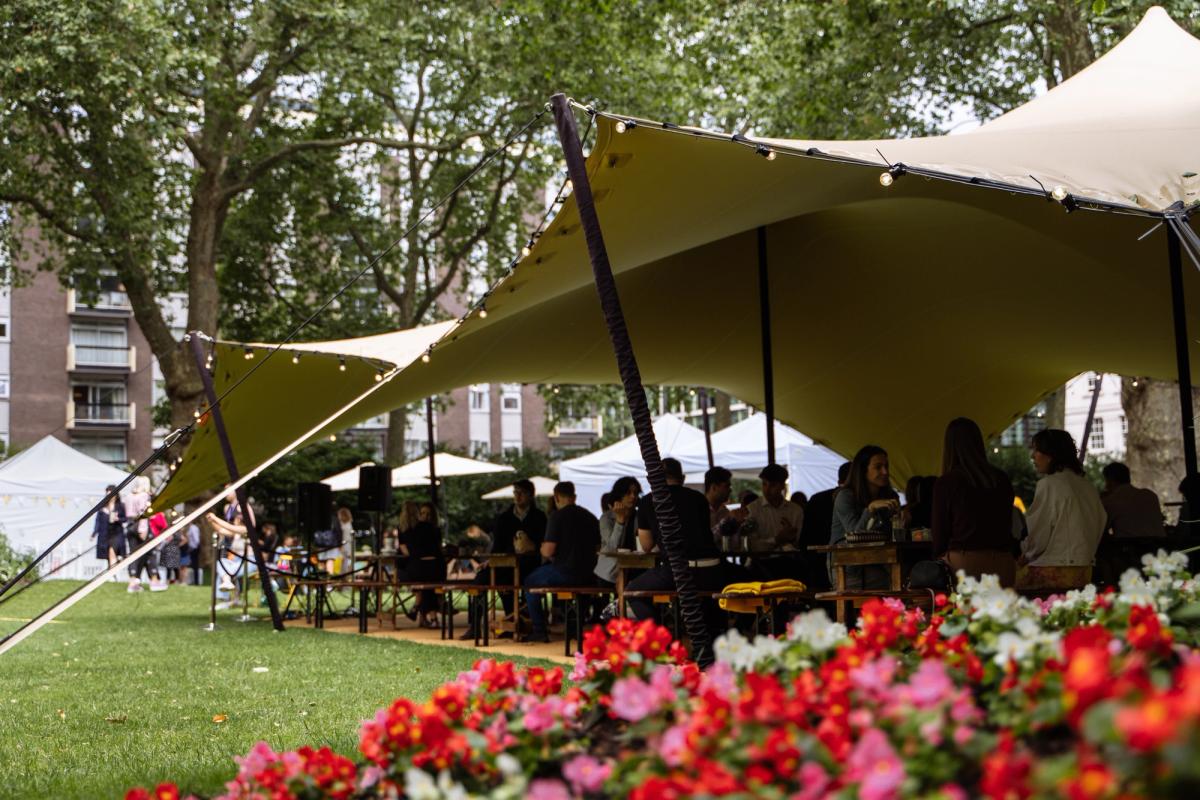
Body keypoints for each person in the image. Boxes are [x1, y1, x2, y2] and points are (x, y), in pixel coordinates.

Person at [626, 458, 729, 624]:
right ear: (682, 478)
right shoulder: (699, 499)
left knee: (632, 591)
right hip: (713, 570)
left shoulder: (647, 501)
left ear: (654, 478)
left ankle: (662, 635)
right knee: (752, 581)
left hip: (678, 572)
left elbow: (646, 546)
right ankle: (734, 629)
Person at [930, 418, 1018, 586]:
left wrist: (939, 556)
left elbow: (940, 534)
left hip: (965, 564)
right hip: (1003, 563)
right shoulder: (1000, 479)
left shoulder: (947, 482)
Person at [1019, 429, 1107, 591]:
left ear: (1050, 454)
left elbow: (1039, 535)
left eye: (1037, 450)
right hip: (1085, 570)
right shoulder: (1087, 486)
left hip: (1054, 569)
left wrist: (1024, 554)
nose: (1033, 456)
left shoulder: (1049, 484)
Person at [523, 482, 600, 643]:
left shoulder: (557, 516)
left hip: (565, 571)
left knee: (530, 582)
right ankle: (575, 625)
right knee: (578, 588)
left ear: (556, 497)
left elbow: (549, 550)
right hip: (589, 574)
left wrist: (539, 548)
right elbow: (599, 547)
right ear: (574, 497)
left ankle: (539, 629)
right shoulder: (591, 517)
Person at [830, 445, 899, 590]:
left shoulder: (890, 496)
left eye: (886, 466)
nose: (885, 472)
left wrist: (902, 521)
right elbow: (854, 535)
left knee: (909, 579)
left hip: (881, 564)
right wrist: (870, 510)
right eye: (878, 467)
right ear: (863, 470)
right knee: (898, 586)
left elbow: (890, 535)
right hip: (848, 568)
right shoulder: (845, 496)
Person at [399, 501, 444, 628]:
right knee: (428, 586)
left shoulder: (407, 530)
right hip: (435, 567)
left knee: (423, 583)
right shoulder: (431, 528)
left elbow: (407, 552)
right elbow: (438, 550)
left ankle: (417, 607)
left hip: (418, 567)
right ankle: (432, 617)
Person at [595, 477, 641, 588]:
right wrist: (620, 521)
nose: (633, 496)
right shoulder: (607, 518)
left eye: (635, 493)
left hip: (636, 569)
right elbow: (612, 548)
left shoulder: (639, 516)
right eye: (628, 493)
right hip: (610, 572)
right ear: (619, 495)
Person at [1100, 462, 1164, 538]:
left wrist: (1102, 501)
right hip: (1159, 547)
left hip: (1131, 548)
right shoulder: (1150, 495)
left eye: (1106, 480)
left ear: (1110, 480)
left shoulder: (1112, 500)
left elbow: (1100, 529)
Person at [801, 462, 849, 550]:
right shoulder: (857, 500)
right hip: (837, 554)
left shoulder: (817, 499)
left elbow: (805, 538)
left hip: (815, 554)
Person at [91, 485, 127, 572]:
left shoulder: (120, 506)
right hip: (105, 533)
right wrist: (94, 533)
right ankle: (112, 572)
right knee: (108, 555)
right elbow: (98, 521)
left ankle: (111, 572)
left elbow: (125, 519)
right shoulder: (102, 507)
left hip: (116, 533)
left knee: (112, 551)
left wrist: (118, 519)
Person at [705, 466, 733, 537]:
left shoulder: (725, 512)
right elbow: (704, 539)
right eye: (727, 486)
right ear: (714, 487)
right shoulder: (697, 511)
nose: (730, 490)